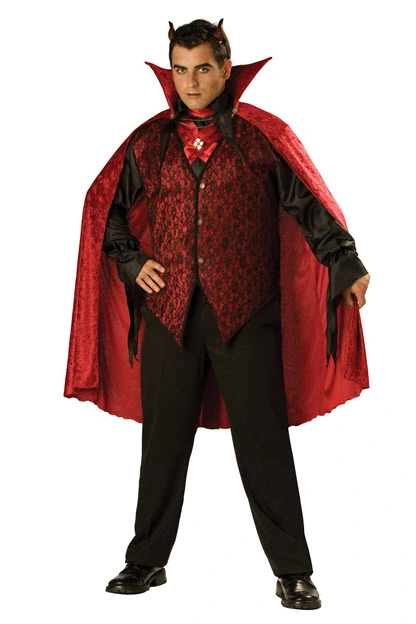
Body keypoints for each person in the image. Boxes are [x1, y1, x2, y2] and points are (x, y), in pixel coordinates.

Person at [64, 18, 370, 610]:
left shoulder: (261, 137)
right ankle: (146, 560)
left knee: (263, 443)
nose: (191, 81)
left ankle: (293, 571)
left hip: (247, 313)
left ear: (226, 69)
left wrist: (346, 261)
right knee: (163, 443)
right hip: (170, 314)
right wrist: (132, 263)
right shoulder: (149, 143)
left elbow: (310, 207)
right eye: (180, 69)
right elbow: (106, 211)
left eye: (202, 68)